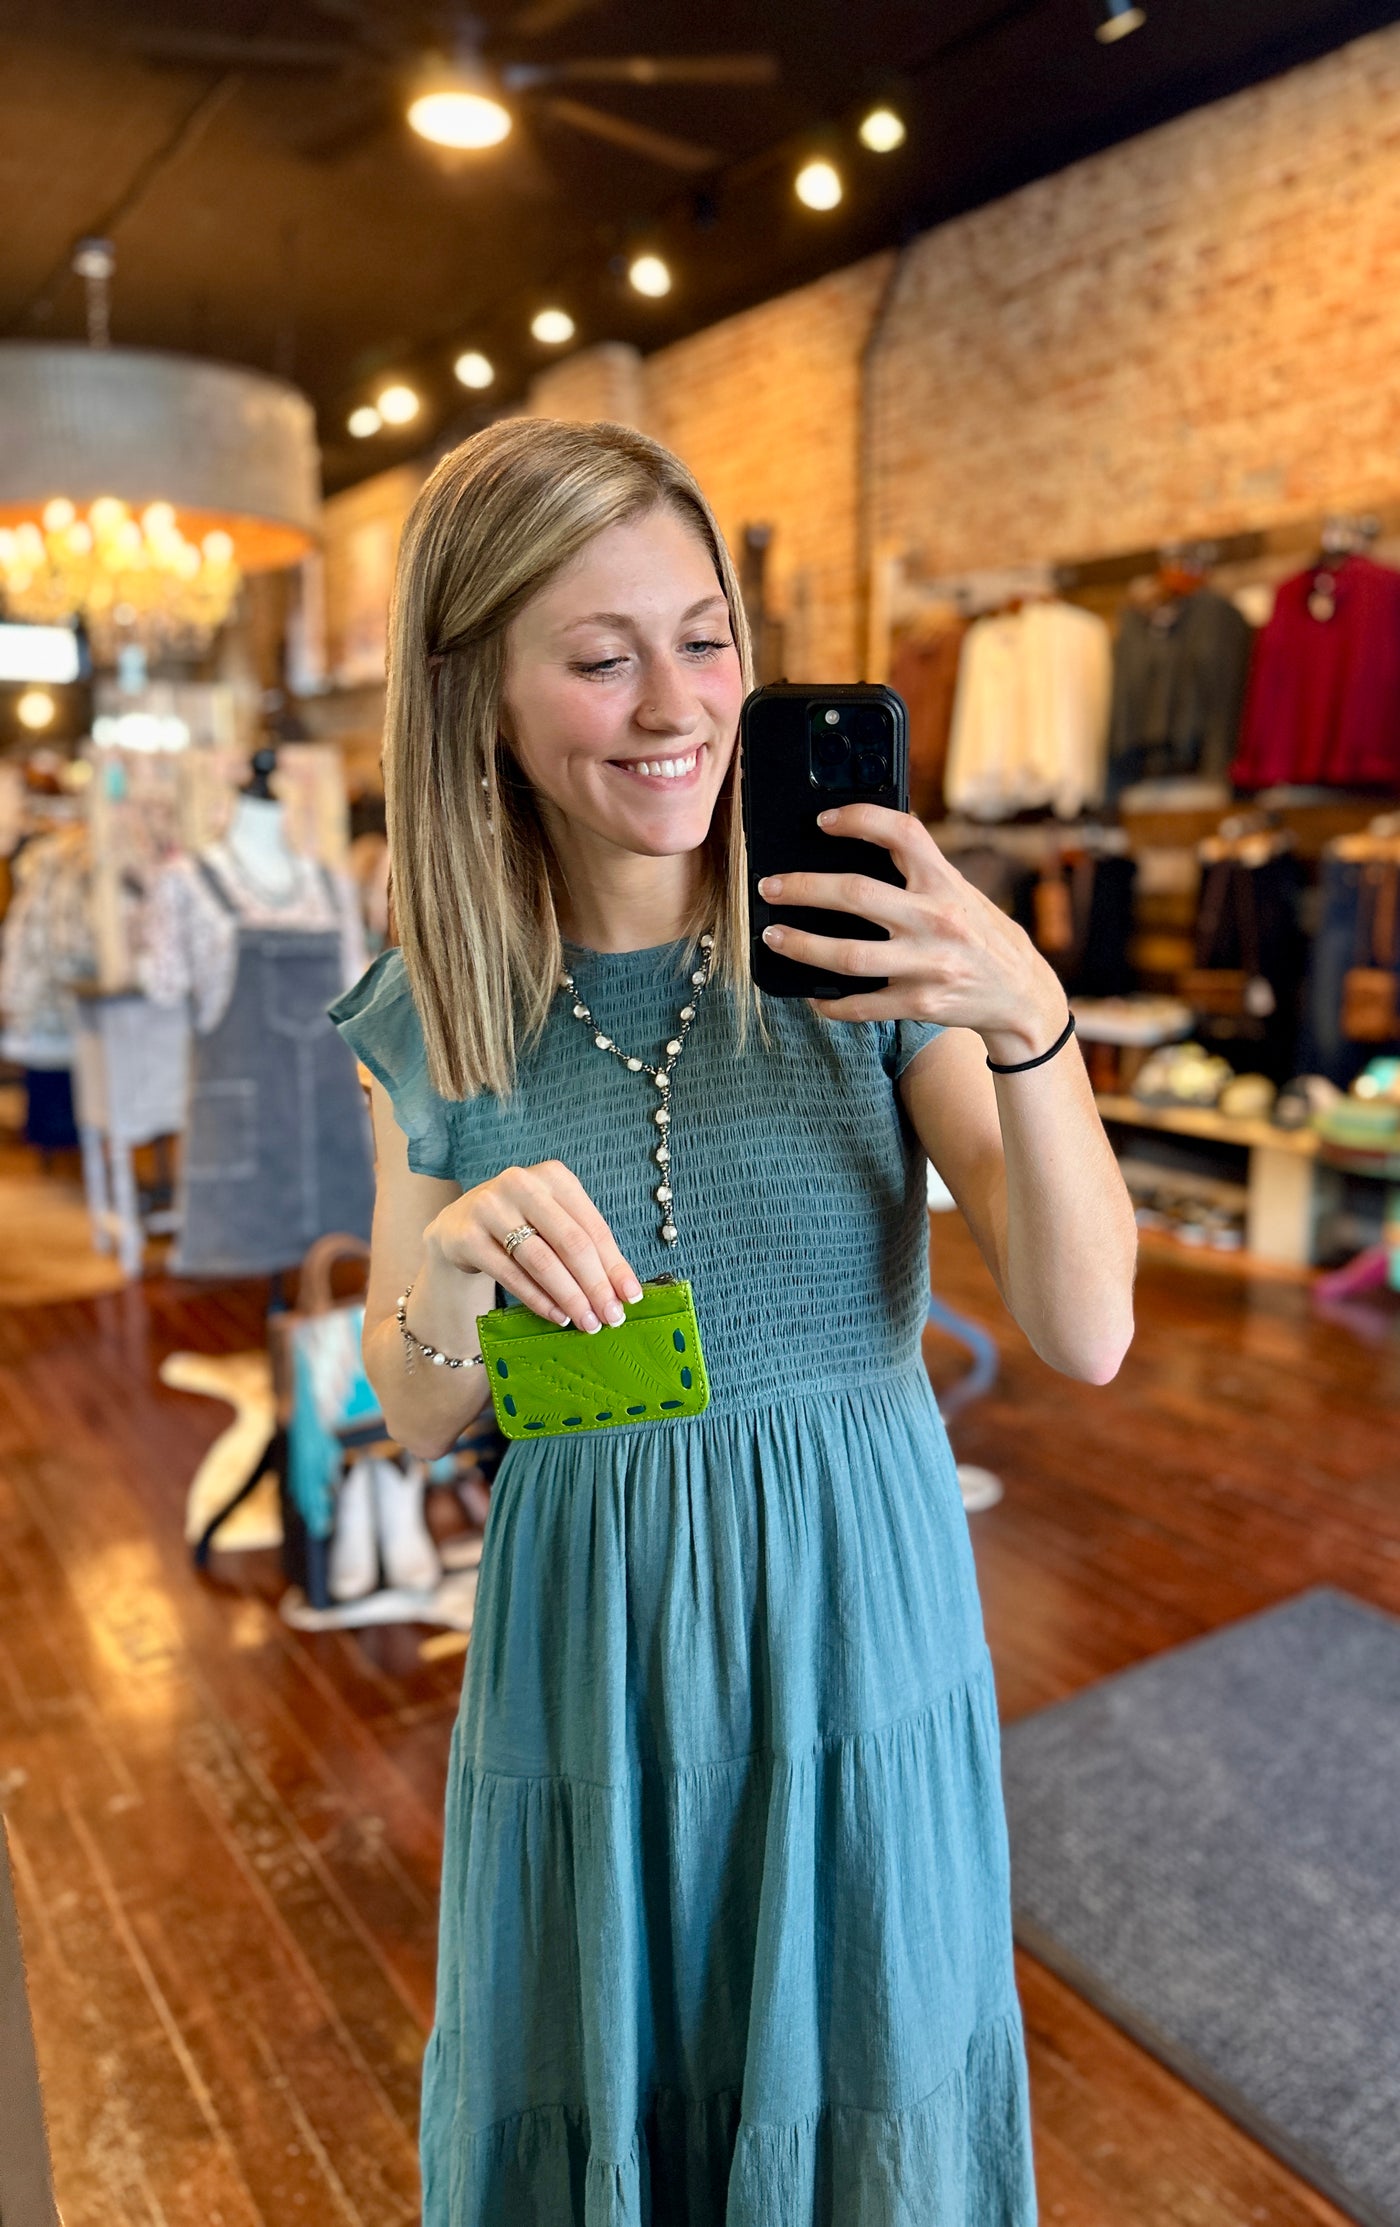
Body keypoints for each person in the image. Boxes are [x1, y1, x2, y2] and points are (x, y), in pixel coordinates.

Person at [330, 416, 1138, 2226]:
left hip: (857, 1624)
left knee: (862, 2095)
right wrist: (453, 1258)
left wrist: (1030, 1021)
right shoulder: (436, 1006)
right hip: (588, 1652)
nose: (672, 705)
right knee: (612, 2097)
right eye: (600, 659)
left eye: (704, 638)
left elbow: (1085, 1330)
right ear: (484, 699)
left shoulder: (859, 952)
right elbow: (409, 1414)